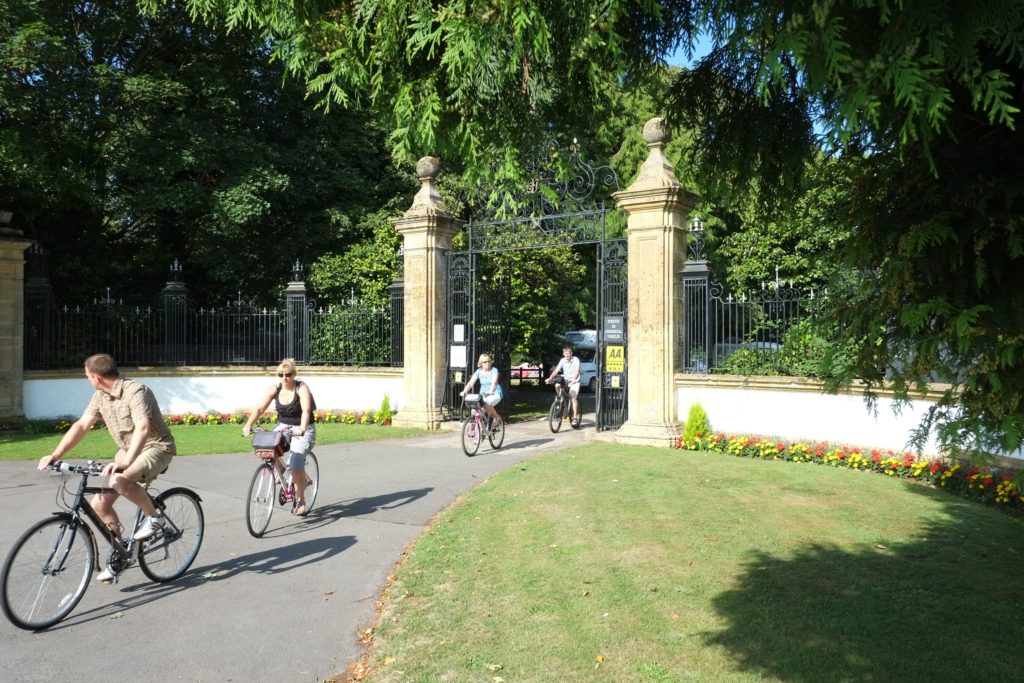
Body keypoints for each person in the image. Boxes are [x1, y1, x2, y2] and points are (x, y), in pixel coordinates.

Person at [37, 353, 177, 584]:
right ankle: (121, 553)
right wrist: (55, 455)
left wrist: (126, 462)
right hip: (128, 450)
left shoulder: (136, 391)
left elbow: (143, 427)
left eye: (87, 376)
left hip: (156, 448)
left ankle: (155, 517)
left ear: (97, 377)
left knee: (120, 481)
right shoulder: (100, 395)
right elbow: (82, 425)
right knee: (99, 503)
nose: (87, 380)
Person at [242, 358, 317, 516]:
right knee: (267, 447)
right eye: (281, 375)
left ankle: (301, 500)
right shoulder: (275, 389)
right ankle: (283, 468)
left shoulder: (301, 388)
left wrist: (302, 428)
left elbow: (306, 410)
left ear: (294, 374)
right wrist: (248, 424)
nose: (284, 378)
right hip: (283, 426)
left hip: (303, 428)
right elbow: (260, 407)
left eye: (288, 374)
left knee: (296, 461)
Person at [460, 353, 503, 429]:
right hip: (483, 395)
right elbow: (470, 383)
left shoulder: (494, 370)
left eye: (488, 361)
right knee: (474, 411)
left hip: (495, 393)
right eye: (485, 362)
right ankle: (480, 432)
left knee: (486, 404)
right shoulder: (478, 371)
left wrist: (490, 391)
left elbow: (494, 383)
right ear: (481, 363)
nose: (487, 363)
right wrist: (464, 391)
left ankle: (497, 417)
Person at [546, 345, 581, 426]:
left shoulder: (576, 359)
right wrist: (550, 378)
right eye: (565, 354)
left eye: (568, 353)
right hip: (565, 380)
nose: (566, 355)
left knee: (573, 397)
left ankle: (575, 417)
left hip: (574, 381)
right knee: (557, 385)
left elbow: (577, 371)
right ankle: (560, 401)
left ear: (571, 353)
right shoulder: (562, 360)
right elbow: (556, 370)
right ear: (563, 354)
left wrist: (574, 379)